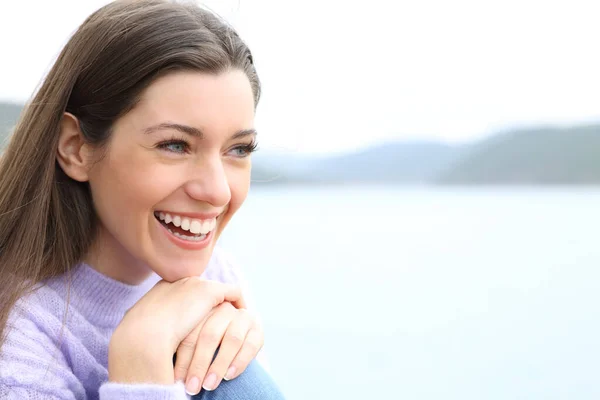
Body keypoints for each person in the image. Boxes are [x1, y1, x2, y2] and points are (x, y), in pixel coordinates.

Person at [0, 1, 285, 399]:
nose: (218, 191)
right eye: (175, 145)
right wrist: (141, 367)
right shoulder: (18, 335)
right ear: (76, 147)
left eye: (238, 150)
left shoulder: (217, 275)